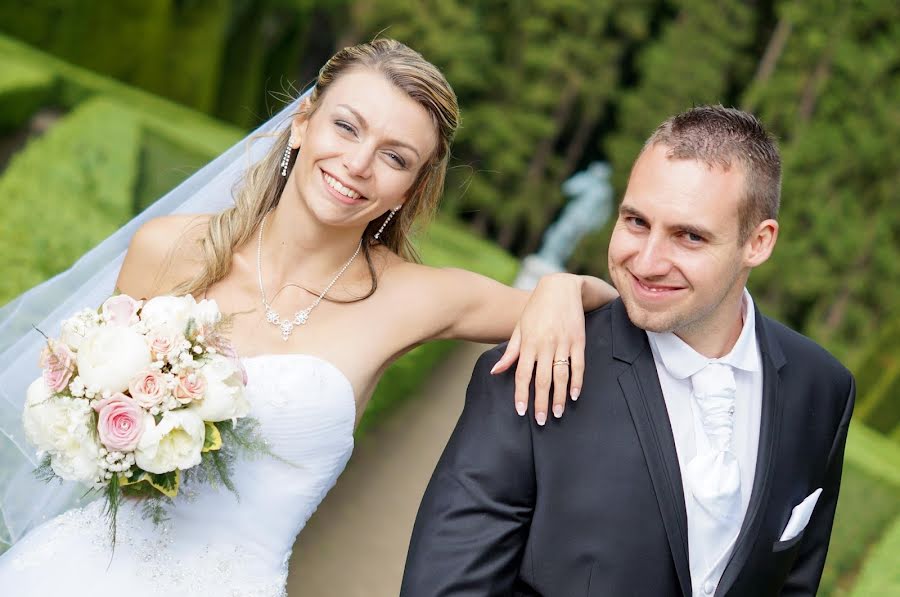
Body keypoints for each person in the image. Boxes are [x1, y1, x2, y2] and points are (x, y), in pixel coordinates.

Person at [0, 39, 619, 595]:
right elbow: (91, 446)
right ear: (301, 123)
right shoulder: (166, 250)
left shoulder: (414, 298)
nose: (358, 163)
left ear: (410, 188)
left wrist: (561, 289)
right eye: (346, 127)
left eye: (395, 158)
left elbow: (616, 306)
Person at [402, 106, 855, 597]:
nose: (647, 261)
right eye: (637, 221)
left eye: (689, 236)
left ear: (758, 243)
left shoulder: (823, 389)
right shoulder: (529, 371)